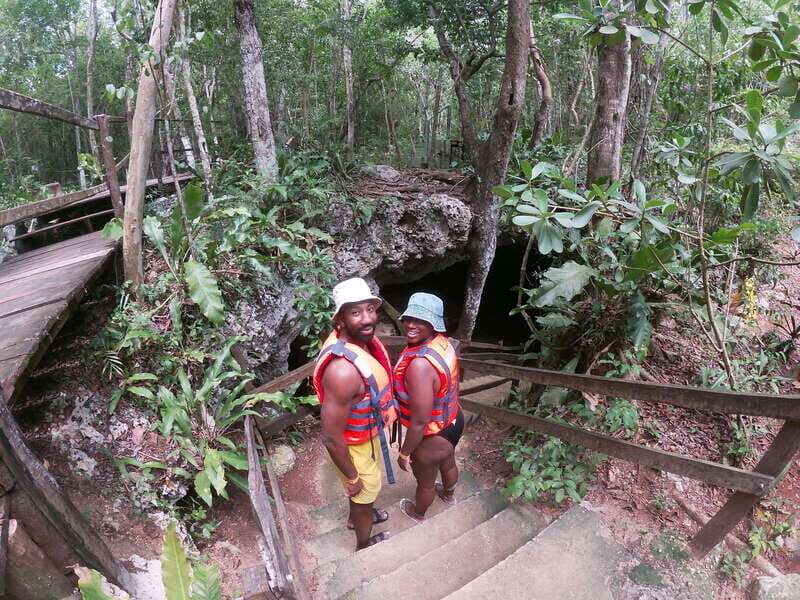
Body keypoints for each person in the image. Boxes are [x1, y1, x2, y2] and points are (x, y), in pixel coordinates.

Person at [313, 277, 397, 549]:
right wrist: (351, 477)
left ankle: (358, 515)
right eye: (355, 312)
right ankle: (363, 541)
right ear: (340, 320)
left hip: (368, 434)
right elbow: (331, 437)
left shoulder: (358, 343)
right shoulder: (343, 371)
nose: (367, 318)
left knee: (363, 498)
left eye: (370, 309)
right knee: (364, 490)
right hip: (355, 446)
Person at [394, 292, 463, 522]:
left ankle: (418, 513)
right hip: (454, 420)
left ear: (433, 324)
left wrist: (404, 453)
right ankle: (449, 495)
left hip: (433, 434)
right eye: (409, 318)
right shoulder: (442, 343)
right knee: (448, 459)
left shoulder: (420, 366)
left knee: (425, 481)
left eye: (421, 321)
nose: (411, 325)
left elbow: (420, 421)